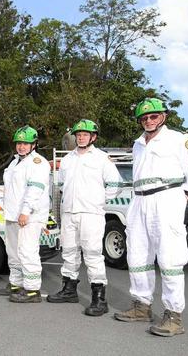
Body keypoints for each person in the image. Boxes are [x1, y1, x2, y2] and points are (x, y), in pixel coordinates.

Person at [114, 98, 188, 336]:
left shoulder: (178, 139)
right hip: (139, 200)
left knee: (169, 257)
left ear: (163, 116)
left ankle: (174, 316)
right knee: (137, 255)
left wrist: (181, 197)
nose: (148, 121)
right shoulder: (137, 144)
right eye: (144, 118)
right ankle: (141, 305)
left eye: (153, 116)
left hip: (166, 198)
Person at [46, 119, 123, 316]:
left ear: (93, 137)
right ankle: (69, 290)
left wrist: (98, 200)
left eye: (84, 134)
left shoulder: (102, 159)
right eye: (78, 134)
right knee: (69, 252)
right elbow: (61, 184)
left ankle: (99, 299)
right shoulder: (68, 159)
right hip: (69, 213)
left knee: (92, 254)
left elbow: (116, 185)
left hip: (91, 214)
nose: (80, 137)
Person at [0, 126, 50, 303]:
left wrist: (26, 211)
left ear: (33, 144)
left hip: (29, 216)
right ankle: (16, 284)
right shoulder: (14, 162)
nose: (21, 146)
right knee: (13, 251)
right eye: (19, 143)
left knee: (27, 251)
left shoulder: (38, 163)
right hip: (12, 214)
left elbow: (35, 189)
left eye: (25, 143)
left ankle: (33, 290)